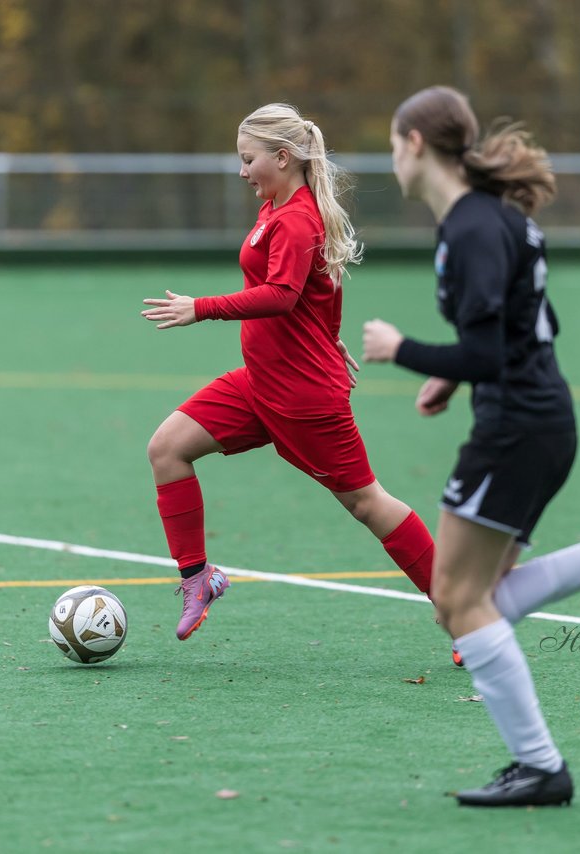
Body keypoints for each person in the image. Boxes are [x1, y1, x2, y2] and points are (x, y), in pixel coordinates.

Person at [361, 86, 580, 808]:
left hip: (516, 430)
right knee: (469, 601)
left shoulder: (471, 228)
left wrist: (406, 353)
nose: (391, 159)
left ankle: (540, 767)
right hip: (539, 420)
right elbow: (532, 323)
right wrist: (452, 383)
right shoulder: (498, 221)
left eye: (394, 145)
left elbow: (489, 351)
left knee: (457, 602)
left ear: (417, 145)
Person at [141, 103, 435, 641]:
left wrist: (200, 308)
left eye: (248, 159)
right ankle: (197, 578)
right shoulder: (275, 208)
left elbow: (280, 295)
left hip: (303, 398)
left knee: (368, 503)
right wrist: (328, 336)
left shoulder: (297, 218)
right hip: (260, 382)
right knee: (167, 449)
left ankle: (462, 610)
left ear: (282, 156)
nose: (241, 171)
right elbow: (323, 286)